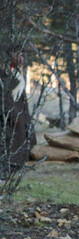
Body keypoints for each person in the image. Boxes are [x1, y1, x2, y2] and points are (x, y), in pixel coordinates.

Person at [1, 45, 35, 174]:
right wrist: (14, 115)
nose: (21, 58)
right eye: (18, 55)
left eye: (22, 55)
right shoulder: (4, 73)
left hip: (19, 114)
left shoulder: (17, 73)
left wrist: (25, 118)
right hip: (9, 116)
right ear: (11, 56)